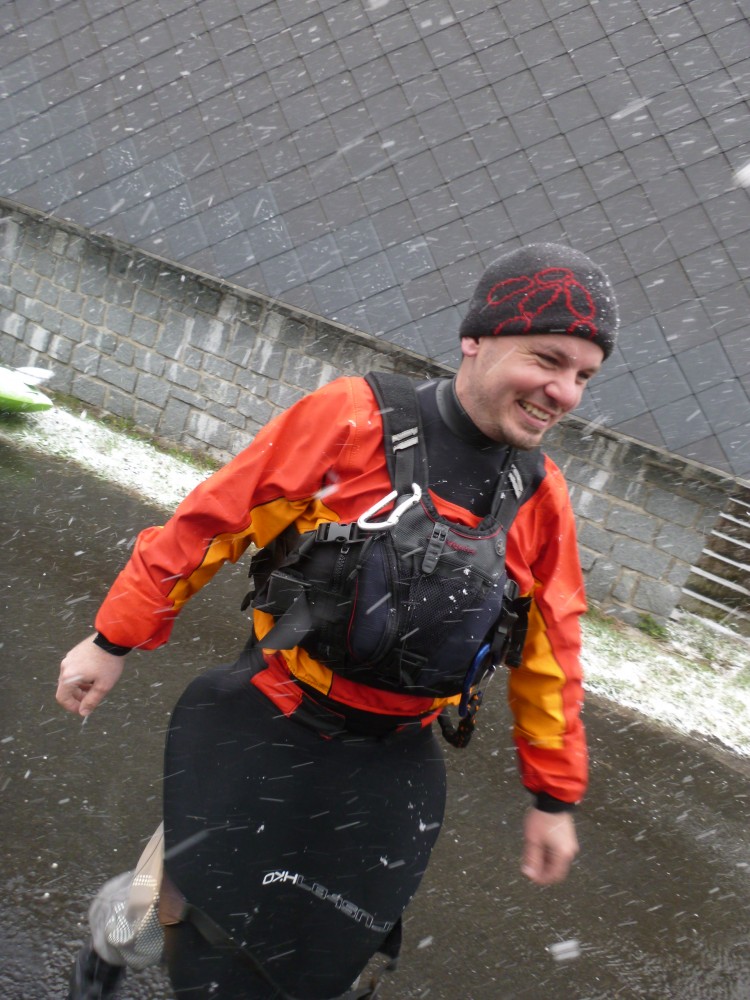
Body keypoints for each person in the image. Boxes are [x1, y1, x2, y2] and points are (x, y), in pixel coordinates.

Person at [57, 242, 619, 1000]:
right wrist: (112, 639)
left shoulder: (538, 494)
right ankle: (120, 932)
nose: (565, 392)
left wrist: (554, 799)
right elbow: (212, 525)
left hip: (392, 753)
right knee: (197, 901)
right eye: (547, 360)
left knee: (326, 941)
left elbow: (553, 651)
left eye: (584, 376)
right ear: (476, 339)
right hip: (273, 713)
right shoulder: (355, 418)